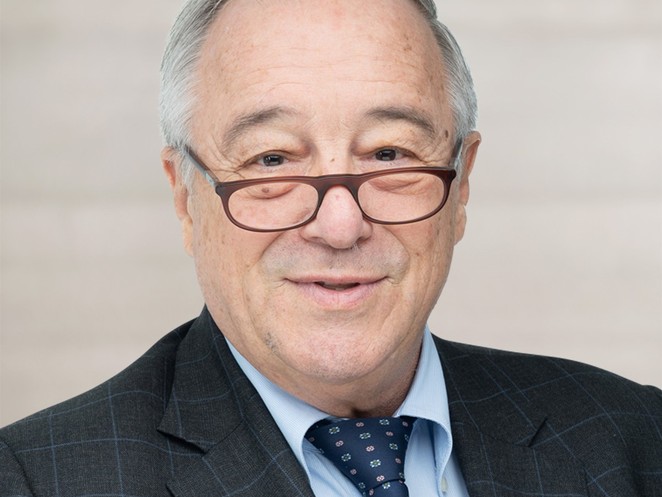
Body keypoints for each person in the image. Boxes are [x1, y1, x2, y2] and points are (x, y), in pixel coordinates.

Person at [1, 0, 660, 495]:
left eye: (390, 153)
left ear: (461, 187)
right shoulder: (37, 478)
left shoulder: (633, 440)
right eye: (272, 159)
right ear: (185, 198)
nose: (340, 225)